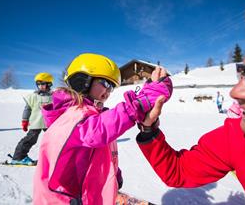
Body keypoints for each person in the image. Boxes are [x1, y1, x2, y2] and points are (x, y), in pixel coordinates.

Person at [136, 8, 245, 205]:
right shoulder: (240, 137)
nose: (236, 92)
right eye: (244, 74)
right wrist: (148, 129)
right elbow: (179, 171)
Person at [33, 53, 172, 205]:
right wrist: (141, 102)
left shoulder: (91, 115)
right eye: (105, 83)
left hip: (88, 192)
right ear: (82, 81)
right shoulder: (72, 116)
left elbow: (98, 152)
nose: (108, 91)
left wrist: (114, 175)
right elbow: (99, 131)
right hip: (66, 200)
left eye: (111, 87)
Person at [10, 72, 53, 165]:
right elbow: (27, 109)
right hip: (36, 122)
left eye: (43, 84)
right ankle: (18, 157)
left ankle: (55, 157)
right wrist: (25, 121)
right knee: (30, 139)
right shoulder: (33, 96)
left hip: (49, 123)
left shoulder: (53, 97)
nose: (40, 86)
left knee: (55, 139)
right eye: (39, 84)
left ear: (49, 84)